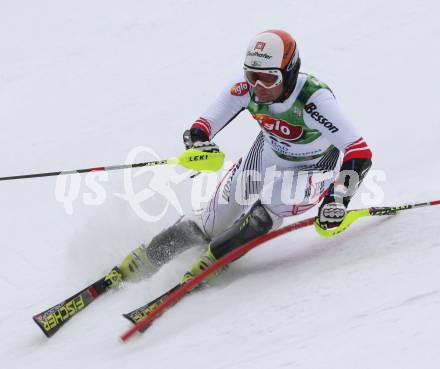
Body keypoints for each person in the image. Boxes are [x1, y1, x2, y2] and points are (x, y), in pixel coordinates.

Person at [115, 29, 373, 285]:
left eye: (268, 79)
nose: (258, 87)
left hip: (313, 169)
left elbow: (359, 152)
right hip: (265, 157)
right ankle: (147, 259)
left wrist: (338, 199)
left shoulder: (314, 99)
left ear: (290, 72)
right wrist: (199, 144)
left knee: (269, 207)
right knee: (209, 225)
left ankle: (215, 260)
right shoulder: (244, 88)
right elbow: (201, 126)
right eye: (252, 76)